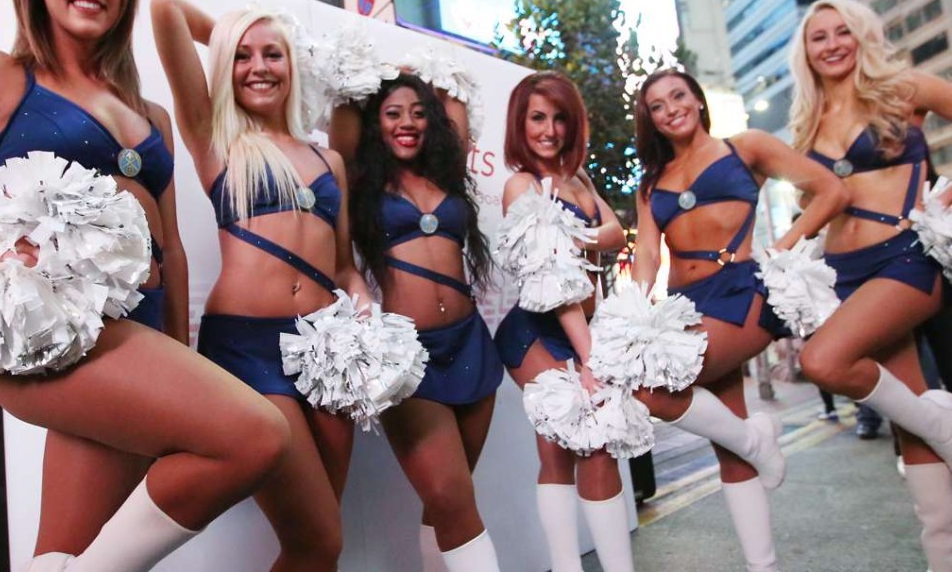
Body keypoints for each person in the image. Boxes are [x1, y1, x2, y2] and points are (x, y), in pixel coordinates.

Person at [0, 0, 290, 572]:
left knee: (63, 553)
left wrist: (182, 354)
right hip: (56, 329)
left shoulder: (148, 111)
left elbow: (173, 249)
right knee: (255, 438)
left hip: (139, 335)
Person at [151, 0, 371, 571]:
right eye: (243, 57)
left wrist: (364, 299)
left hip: (327, 349)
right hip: (248, 348)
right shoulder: (216, 140)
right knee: (319, 539)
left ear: (293, 66)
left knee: (319, 539)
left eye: (273, 54)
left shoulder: (330, 161)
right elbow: (165, 8)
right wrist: (236, 33)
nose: (258, 68)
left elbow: (343, 264)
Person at [632, 68, 848, 572]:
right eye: (657, 106)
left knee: (651, 390)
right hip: (682, 304)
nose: (671, 109)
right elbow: (645, 250)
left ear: (698, 100)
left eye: (678, 96)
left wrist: (780, 250)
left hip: (741, 291)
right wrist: (637, 314)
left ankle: (757, 438)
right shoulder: (651, 184)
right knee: (728, 445)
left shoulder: (744, 147)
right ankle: (762, 562)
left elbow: (831, 191)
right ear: (652, 121)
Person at [790, 0, 952, 570]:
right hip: (843, 272)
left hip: (906, 257)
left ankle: (946, 424)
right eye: (819, 37)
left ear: (860, 36)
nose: (832, 44)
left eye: (842, 32)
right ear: (805, 53)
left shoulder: (901, 89)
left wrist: (945, 199)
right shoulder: (807, 121)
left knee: (824, 361)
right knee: (910, 420)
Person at [348, 73, 504, 571]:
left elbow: (454, 94)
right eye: (393, 113)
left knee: (448, 505)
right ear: (375, 123)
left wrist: (422, 76)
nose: (407, 123)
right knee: (452, 498)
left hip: (472, 344)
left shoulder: (447, 171)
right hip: (410, 359)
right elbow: (340, 117)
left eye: (417, 112)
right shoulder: (361, 181)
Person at [492, 71, 632, 572]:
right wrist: (589, 357)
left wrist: (582, 236)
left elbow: (616, 232)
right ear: (519, 123)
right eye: (537, 118)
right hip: (537, 331)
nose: (549, 130)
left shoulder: (580, 181)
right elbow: (554, 285)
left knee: (594, 450)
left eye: (559, 118)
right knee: (579, 447)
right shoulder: (521, 186)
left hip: (583, 329)